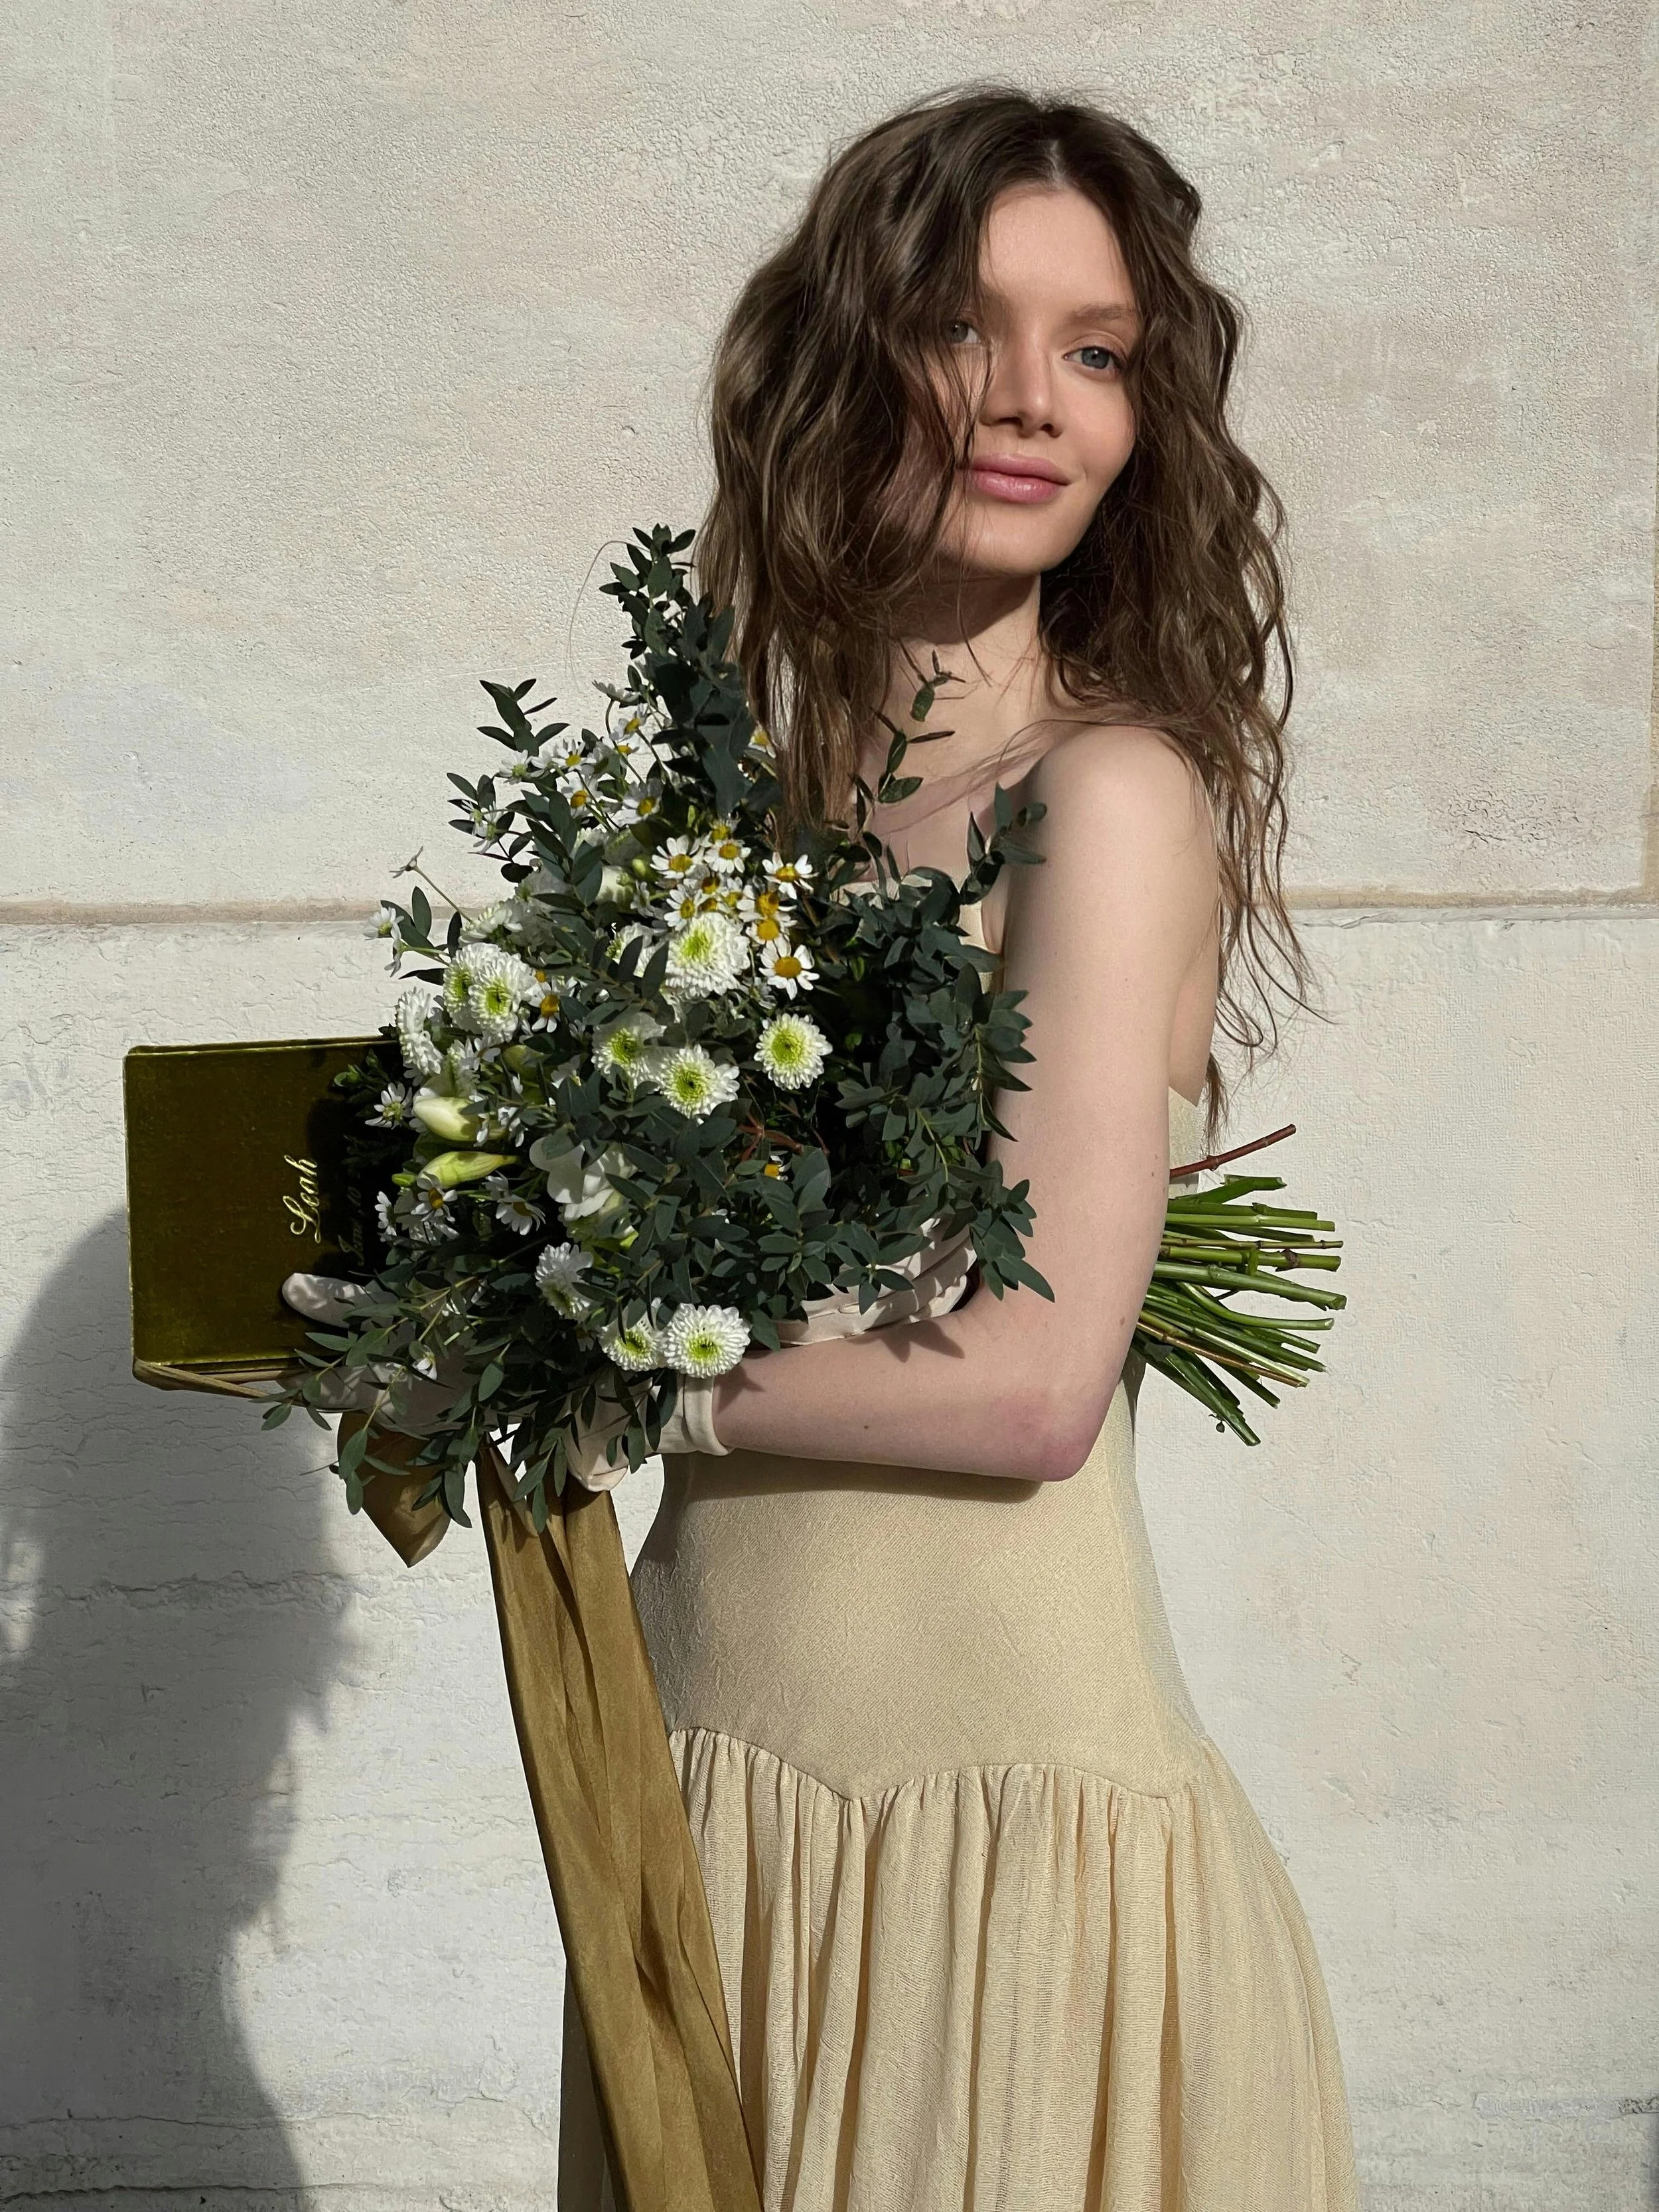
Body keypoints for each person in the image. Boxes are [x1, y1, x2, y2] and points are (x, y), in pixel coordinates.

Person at [289, 83, 1360, 2211]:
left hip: (985, 1836)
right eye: (967, 326)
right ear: (840, 353)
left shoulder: (1109, 792)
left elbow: (1040, 1382)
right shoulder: (749, 853)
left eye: (1099, 347)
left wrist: (594, 1356)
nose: (1032, 398)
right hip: (723, 1818)